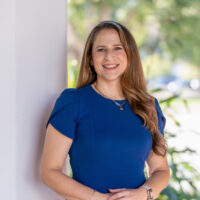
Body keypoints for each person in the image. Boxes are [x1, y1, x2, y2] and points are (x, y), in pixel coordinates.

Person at [40, 20, 170, 200]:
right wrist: (97, 198)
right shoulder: (73, 102)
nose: (109, 56)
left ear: (129, 55)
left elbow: (161, 170)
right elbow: (49, 172)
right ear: (91, 59)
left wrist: (143, 193)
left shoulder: (148, 105)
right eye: (101, 49)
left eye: (117, 48)